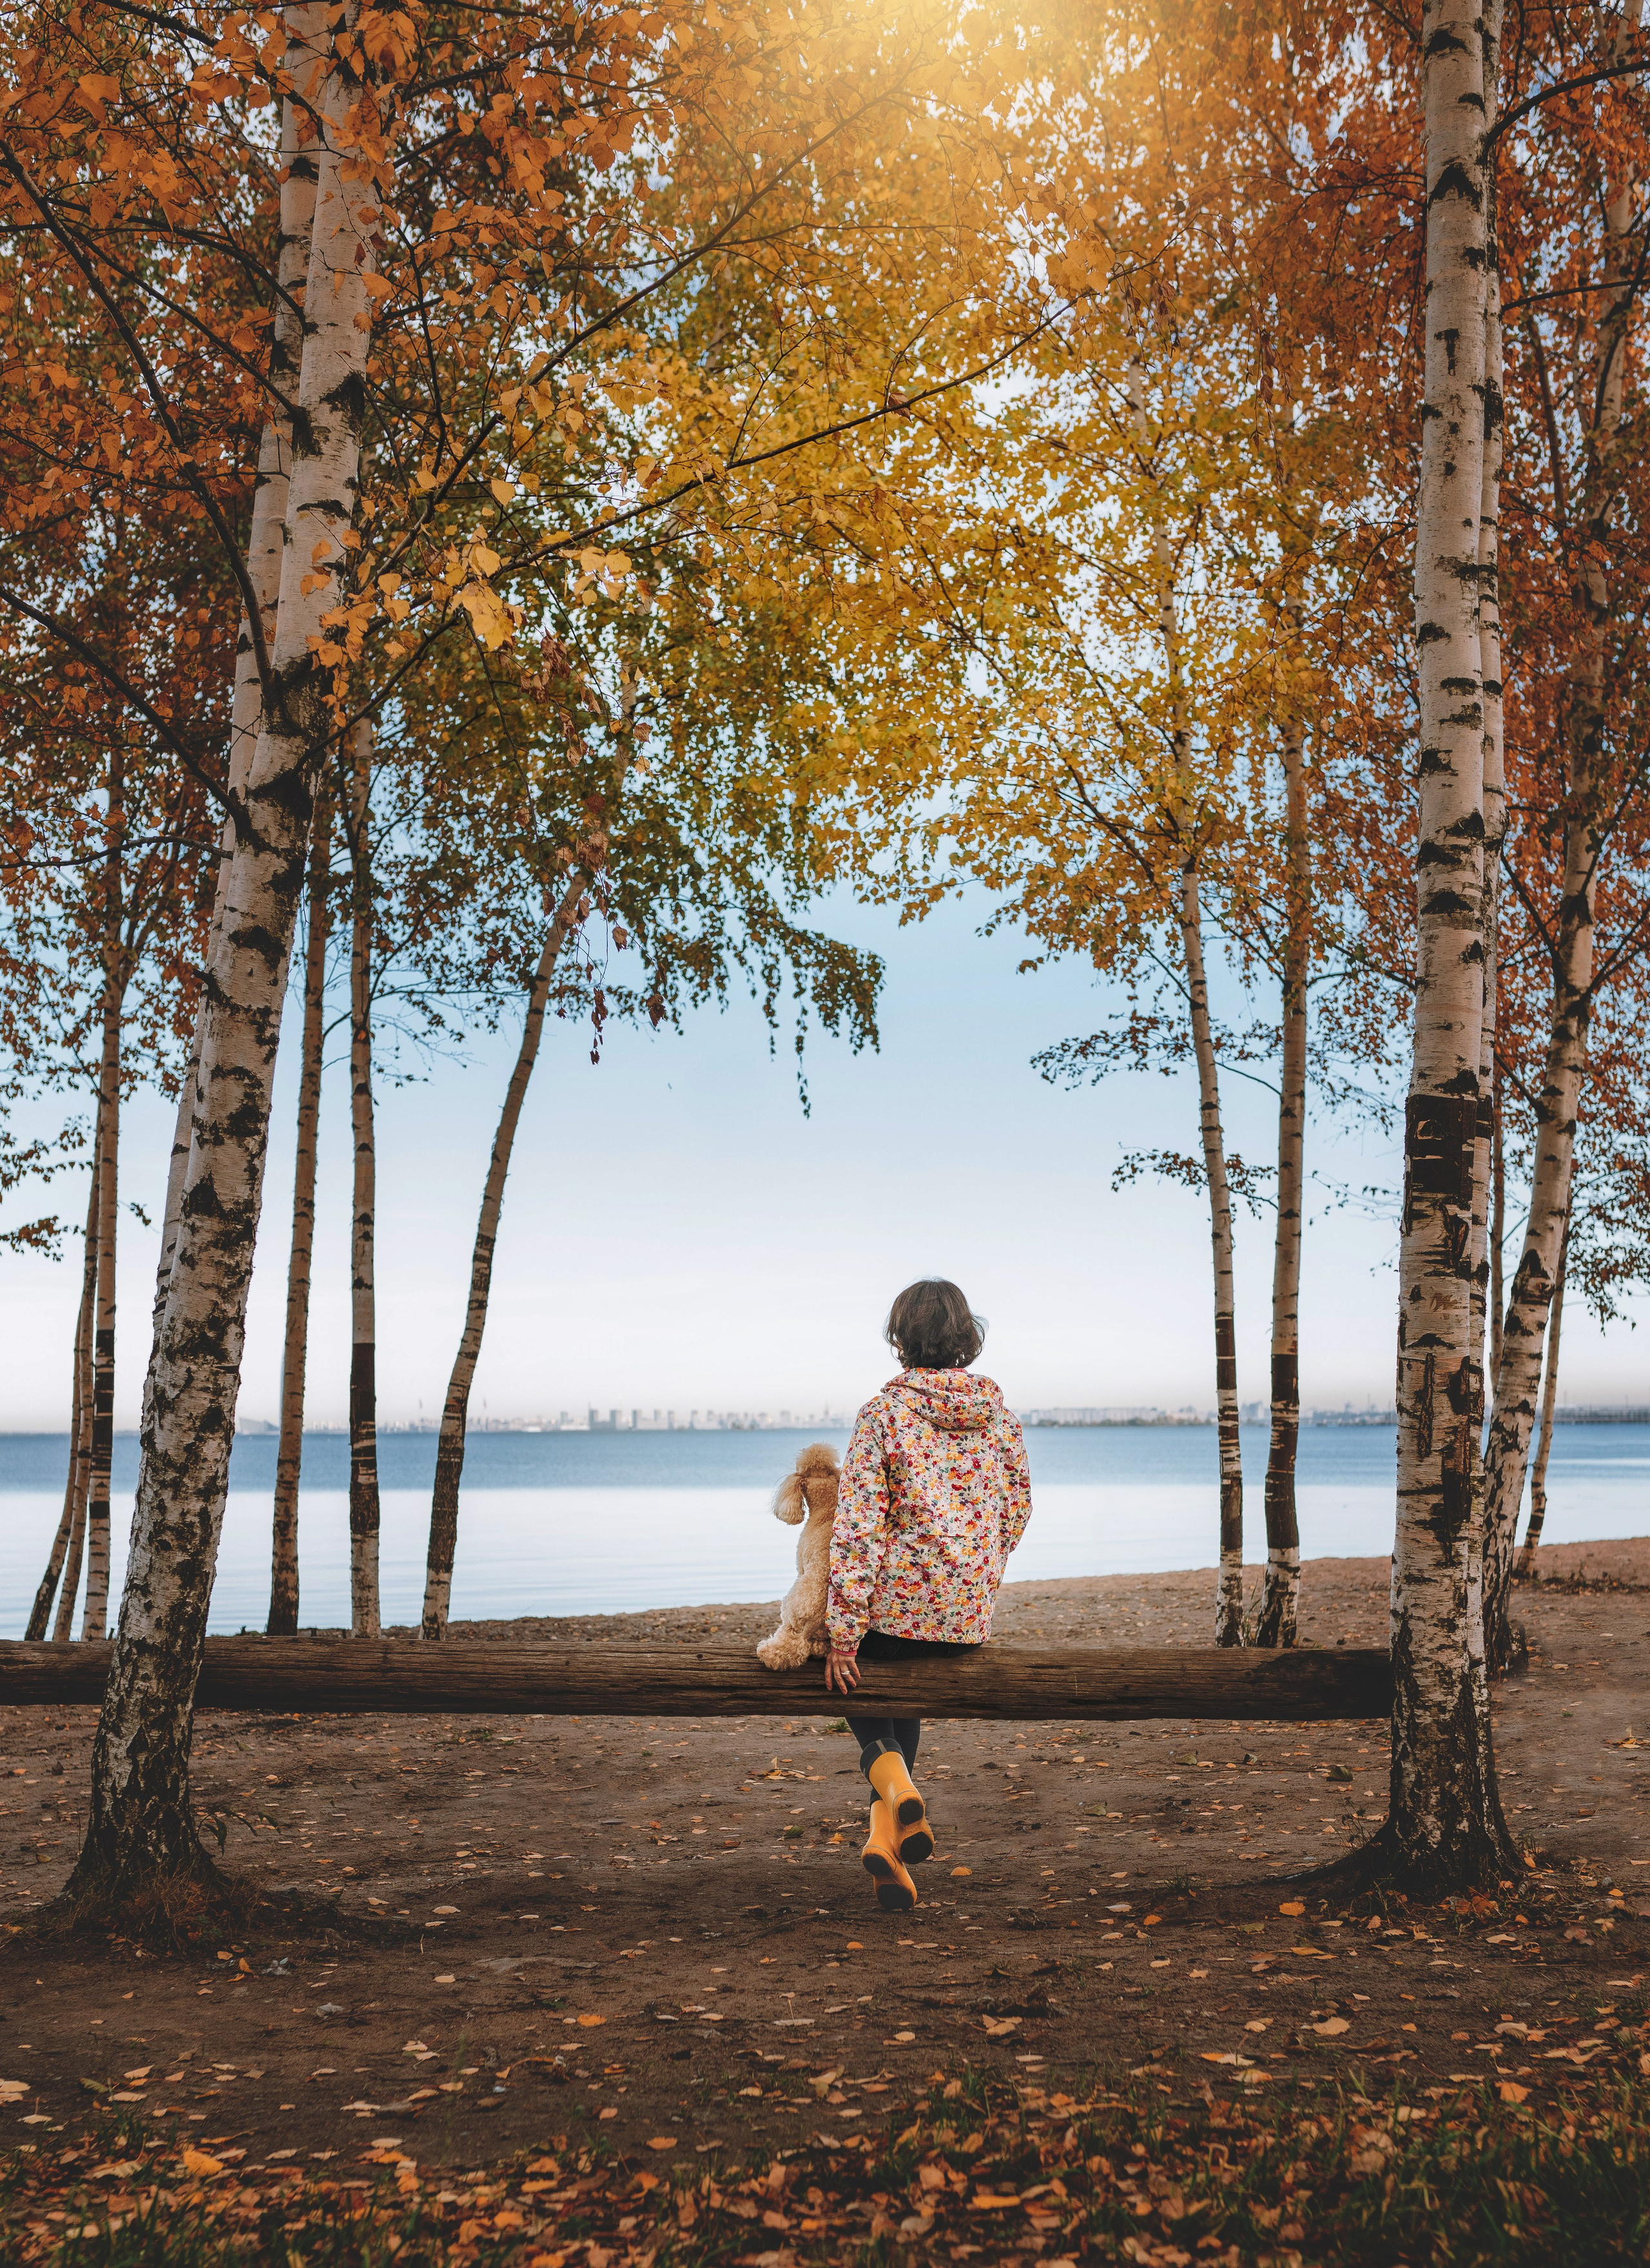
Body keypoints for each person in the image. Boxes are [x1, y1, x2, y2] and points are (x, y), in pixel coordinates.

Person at [824, 1278, 1032, 1912]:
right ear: (967, 1338)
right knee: (900, 1700)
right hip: (965, 1623)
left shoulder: (883, 1414)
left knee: (838, 1668)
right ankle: (887, 1843)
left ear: (899, 1339)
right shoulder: (996, 1413)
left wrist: (841, 1630)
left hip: (893, 1618)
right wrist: (975, 1575)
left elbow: (858, 1527)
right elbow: (1017, 1509)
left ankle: (889, 1782)